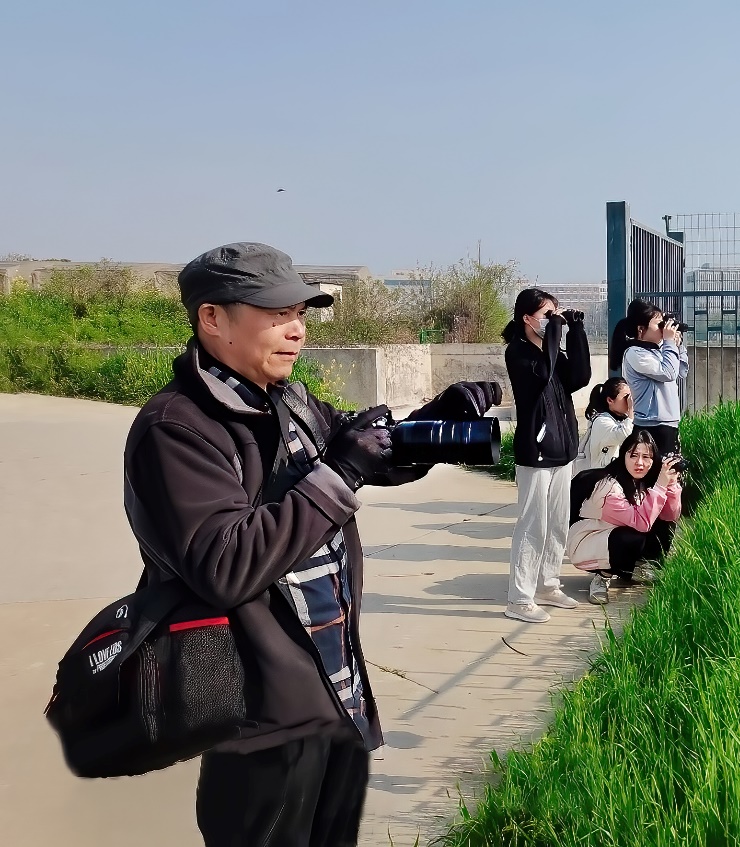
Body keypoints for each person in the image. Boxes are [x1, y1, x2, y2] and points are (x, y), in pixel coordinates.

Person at [122, 242, 500, 847]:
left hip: (333, 686)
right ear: (211, 318)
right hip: (259, 715)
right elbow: (225, 565)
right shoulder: (178, 429)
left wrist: (434, 423)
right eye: (277, 314)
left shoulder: (287, 399)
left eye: (299, 313)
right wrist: (340, 473)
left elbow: (366, 453)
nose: (297, 330)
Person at [503, 287, 591, 623]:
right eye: (546, 315)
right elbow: (541, 376)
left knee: (556, 522)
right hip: (535, 453)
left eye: (555, 314)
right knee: (533, 526)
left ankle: (546, 584)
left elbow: (579, 377)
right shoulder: (518, 353)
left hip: (562, 450)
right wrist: (555, 332)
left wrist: (576, 331)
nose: (552, 320)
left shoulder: (551, 350)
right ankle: (519, 599)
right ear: (527, 318)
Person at [566, 429, 682, 605]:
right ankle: (602, 576)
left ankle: (635, 568)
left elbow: (670, 515)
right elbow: (640, 523)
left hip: (615, 534)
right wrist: (660, 486)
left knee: (665, 524)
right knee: (631, 537)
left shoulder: (646, 481)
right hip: (589, 542)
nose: (639, 463)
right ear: (623, 455)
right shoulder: (607, 486)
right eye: (633, 455)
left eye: (646, 457)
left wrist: (671, 484)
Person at [611, 299, 689, 455]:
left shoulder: (658, 351)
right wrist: (668, 342)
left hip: (668, 423)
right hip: (651, 426)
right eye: (659, 325)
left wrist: (678, 346)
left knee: (670, 468)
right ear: (641, 329)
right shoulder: (635, 353)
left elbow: (681, 371)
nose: (663, 329)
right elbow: (668, 373)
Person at [576, 377, 633, 473]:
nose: (629, 400)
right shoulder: (601, 421)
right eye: (626, 397)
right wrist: (631, 410)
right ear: (610, 400)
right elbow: (624, 434)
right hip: (598, 477)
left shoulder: (622, 419)